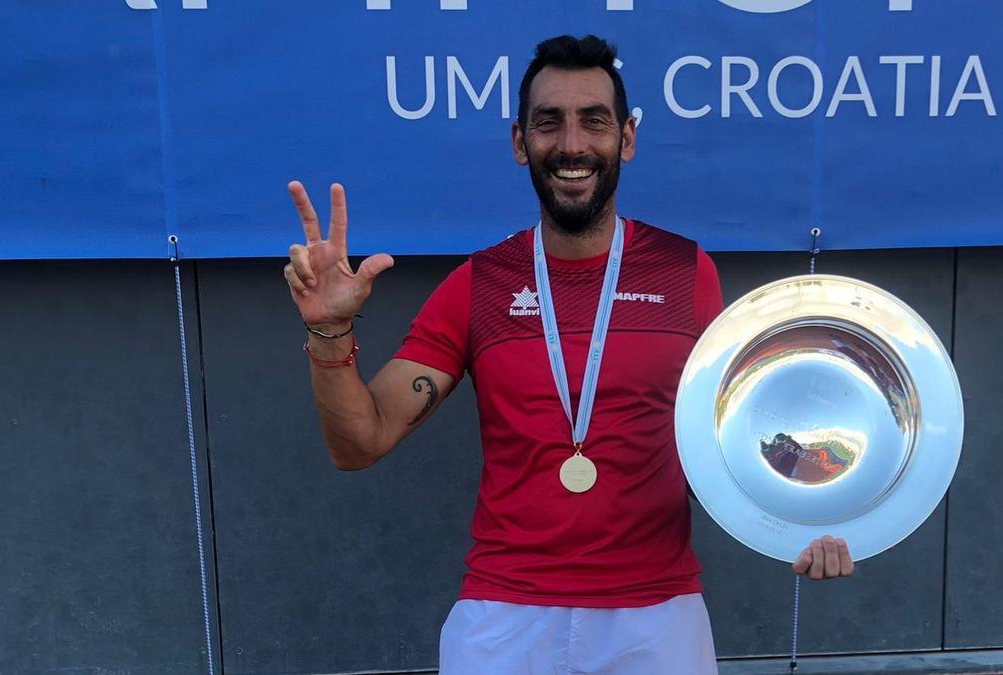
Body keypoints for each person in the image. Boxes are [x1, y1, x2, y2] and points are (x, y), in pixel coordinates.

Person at [283, 34, 853, 675]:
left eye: (595, 121)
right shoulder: (479, 284)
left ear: (627, 139)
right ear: (519, 142)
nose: (573, 145)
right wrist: (330, 330)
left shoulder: (687, 273)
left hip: (656, 614)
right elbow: (359, 443)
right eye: (549, 122)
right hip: (503, 616)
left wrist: (803, 521)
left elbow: (729, 443)